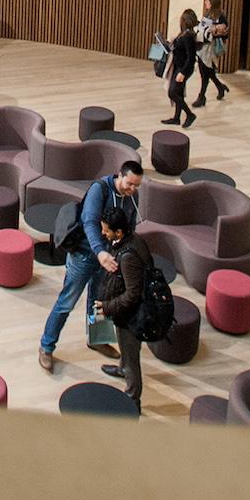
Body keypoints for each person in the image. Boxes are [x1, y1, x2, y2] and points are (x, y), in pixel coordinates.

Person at [38, 158, 143, 374]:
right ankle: (46, 346)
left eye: (136, 185)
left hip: (108, 259)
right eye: (129, 183)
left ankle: (97, 339)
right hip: (84, 255)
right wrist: (100, 251)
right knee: (67, 301)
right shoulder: (100, 190)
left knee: (100, 301)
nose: (132, 188)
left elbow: (129, 228)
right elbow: (89, 222)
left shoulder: (133, 197)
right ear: (120, 176)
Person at [93, 205, 154, 411]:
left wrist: (108, 307)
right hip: (125, 313)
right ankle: (122, 368)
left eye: (106, 230)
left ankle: (133, 400)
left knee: (132, 357)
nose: (103, 233)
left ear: (118, 232)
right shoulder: (131, 240)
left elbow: (132, 294)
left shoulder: (128, 257)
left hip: (132, 316)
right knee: (126, 352)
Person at [162, 8, 199, 127]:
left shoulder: (188, 36)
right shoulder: (183, 33)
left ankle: (189, 114)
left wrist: (182, 73)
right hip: (178, 66)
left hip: (183, 68)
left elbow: (191, 58)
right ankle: (176, 118)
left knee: (172, 92)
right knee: (178, 92)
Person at [192, 0, 231, 104]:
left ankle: (202, 97)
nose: (205, 2)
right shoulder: (207, 14)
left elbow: (224, 32)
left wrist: (214, 30)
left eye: (207, 1)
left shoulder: (221, 16)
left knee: (206, 72)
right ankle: (220, 87)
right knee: (207, 72)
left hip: (210, 48)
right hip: (201, 47)